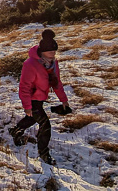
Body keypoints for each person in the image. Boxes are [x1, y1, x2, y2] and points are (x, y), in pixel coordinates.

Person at [8, 29, 72, 166]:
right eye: (50, 53)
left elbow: (57, 83)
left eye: (54, 52)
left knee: (31, 119)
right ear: (42, 52)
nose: (53, 55)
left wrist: (64, 100)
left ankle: (15, 131)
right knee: (45, 125)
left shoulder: (53, 64)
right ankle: (44, 153)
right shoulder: (30, 64)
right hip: (32, 99)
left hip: (40, 98)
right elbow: (24, 87)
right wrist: (27, 106)